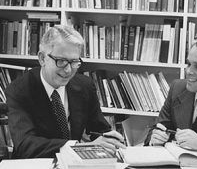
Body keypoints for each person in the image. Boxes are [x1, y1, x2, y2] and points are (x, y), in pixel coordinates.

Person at [5, 25, 125, 159]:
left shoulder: (85, 85)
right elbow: (25, 145)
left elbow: (98, 128)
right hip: (33, 168)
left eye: (74, 62)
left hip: (74, 167)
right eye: (61, 61)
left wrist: (107, 139)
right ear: (42, 59)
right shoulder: (19, 90)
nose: (68, 70)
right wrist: (78, 147)